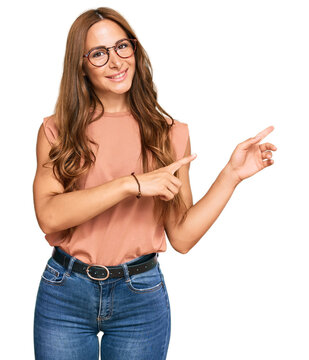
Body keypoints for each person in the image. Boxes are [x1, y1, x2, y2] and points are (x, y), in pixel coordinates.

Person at [32, 7, 277, 360]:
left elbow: (182, 236)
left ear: (135, 50)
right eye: (99, 54)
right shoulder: (57, 130)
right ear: (81, 66)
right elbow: (49, 216)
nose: (116, 62)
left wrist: (231, 176)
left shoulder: (170, 134)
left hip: (140, 297)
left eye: (122, 47)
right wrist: (130, 185)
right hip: (65, 292)